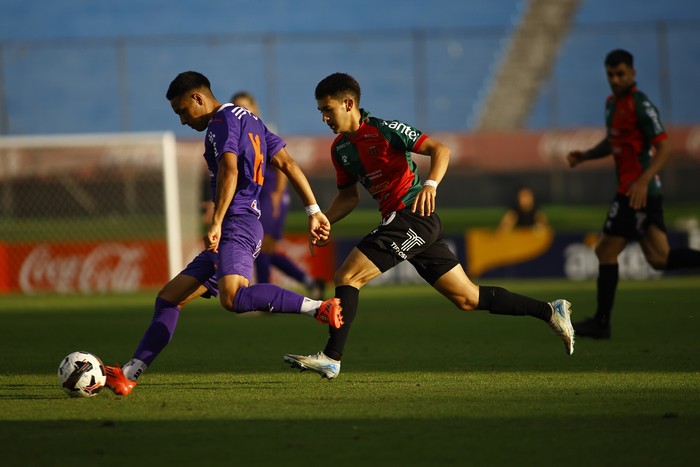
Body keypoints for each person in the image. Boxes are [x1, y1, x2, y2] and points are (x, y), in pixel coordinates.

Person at [283, 72, 575, 379]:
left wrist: (431, 185)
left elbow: (441, 150)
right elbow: (348, 197)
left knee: (347, 276)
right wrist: (325, 218)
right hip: (407, 223)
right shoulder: (340, 149)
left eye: (328, 110)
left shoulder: (384, 130)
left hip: (412, 216)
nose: (324, 118)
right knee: (467, 298)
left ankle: (332, 357)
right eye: (321, 112)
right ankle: (549, 311)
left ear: (348, 103)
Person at [103, 71, 343, 396]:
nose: (184, 121)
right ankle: (129, 374)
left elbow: (230, 169)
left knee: (233, 298)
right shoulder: (253, 121)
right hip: (244, 223)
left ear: (199, 98)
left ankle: (318, 307)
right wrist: (313, 211)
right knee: (169, 298)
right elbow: (288, 164)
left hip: (237, 223)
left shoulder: (220, 123)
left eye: (183, 111)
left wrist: (216, 221)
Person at [566, 49, 700, 339]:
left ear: (633, 74)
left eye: (620, 74)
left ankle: (602, 323)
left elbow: (664, 149)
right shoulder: (612, 104)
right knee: (659, 258)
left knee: (605, 250)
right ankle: (602, 323)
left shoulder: (641, 105)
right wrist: (586, 155)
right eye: (611, 75)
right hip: (637, 191)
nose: (615, 79)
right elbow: (613, 141)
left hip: (636, 192)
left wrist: (642, 181)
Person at [230, 91, 325, 299]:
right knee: (267, 251)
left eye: (245, 107)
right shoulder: (236, 133)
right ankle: (309, 282)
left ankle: (264, 298)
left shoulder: (260, 130)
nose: (241, 111)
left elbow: (283, 164)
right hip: (260, 196)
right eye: (237, 107)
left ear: (255, 110)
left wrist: (277, 194)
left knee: (262, 248)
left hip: (271, 195)